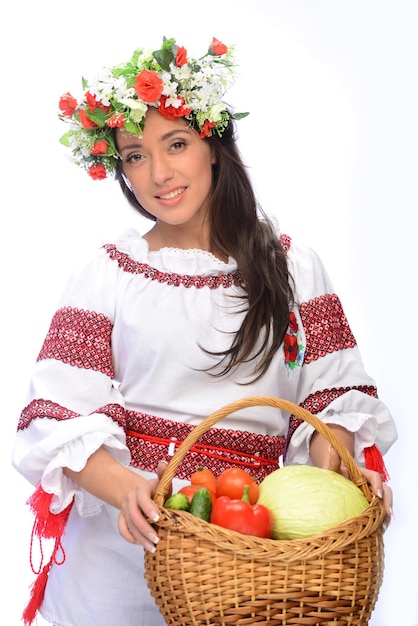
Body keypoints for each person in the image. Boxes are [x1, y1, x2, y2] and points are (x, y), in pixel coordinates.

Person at [13, 36, 397, 626]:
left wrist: (341, 472)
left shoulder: (293, 268)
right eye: (135, 155)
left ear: (213, 146)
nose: (159, 174)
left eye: (176, 144)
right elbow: (60, 416)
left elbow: (330, 401)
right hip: (123, 555)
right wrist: (128, 492)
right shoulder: (106, 275)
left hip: (248, 560)